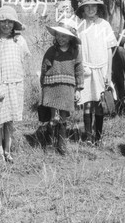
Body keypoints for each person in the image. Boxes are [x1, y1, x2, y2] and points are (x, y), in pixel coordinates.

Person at [0, 6, 30, 164]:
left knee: (10, 121)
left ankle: (8, 150)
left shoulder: (20, 41)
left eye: (10, 22)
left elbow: (22, 61)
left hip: (15, 85)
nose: (6, 25)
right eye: (3, 21)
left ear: (14, 24)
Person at [75, 0, 117, 145]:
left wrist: (109, 73)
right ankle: (87, 135)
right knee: (87, 103)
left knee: (99, 104)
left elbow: (109, 49)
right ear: (82, 9)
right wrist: (79, 69)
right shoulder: (80, 26)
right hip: (86, 69)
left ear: (98, 8)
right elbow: (78, 49)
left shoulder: (104, 25)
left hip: (101, 69)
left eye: (94, 6)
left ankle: (98, 137)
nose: (91, 9)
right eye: (87, 7)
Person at [40, 18, 84, 155]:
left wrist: (78, 89)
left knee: (64, 117)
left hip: (68, 87)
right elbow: (44, 67)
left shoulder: (75, 52)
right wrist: (43, 84)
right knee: (53, 117)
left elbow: (79, 70)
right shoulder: (51, 51)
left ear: (71, 38)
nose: (60, 38)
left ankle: (62, 144)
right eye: (58, 35)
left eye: (64, 35)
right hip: (52, 86)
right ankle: (49, 143)